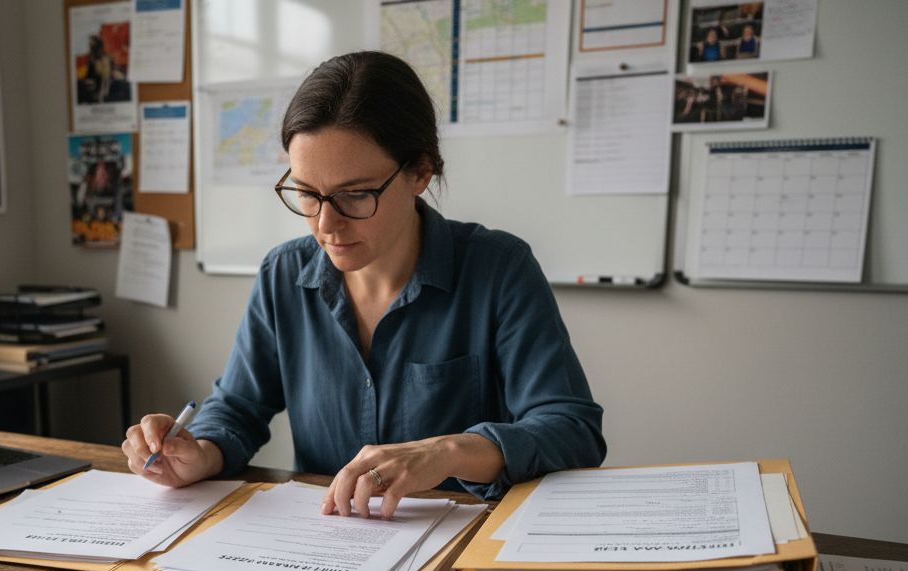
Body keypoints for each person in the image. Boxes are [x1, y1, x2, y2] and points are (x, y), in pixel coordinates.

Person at [122, 51, 605, 518]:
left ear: (420, 171)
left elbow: (572, 430)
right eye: (306, 193)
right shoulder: (282, 274)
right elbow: (237, 408)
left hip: (458, 546)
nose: (325, 225)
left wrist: (448, 452)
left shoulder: (498, 269)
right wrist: (201, 452)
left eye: (354, 195)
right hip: (324, 543)